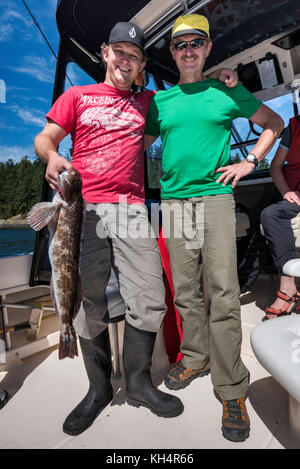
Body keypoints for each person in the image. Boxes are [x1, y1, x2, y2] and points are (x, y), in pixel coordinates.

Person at [34, 21, 236, 436]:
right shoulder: (77, 96)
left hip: (129, 209)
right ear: (105, 53)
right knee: (87, 298)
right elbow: (46, 137)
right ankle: (98, 390)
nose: (125, 60)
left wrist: (218, 76)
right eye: (119, 52)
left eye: (134, 56)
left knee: (149, 296)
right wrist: (52, 157)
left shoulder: (149, 101)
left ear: (141, 65)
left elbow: (187, 93)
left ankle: (140, 383)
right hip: (81, 208)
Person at [145, 14, 284, 443]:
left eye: (196, 44)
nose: (188, 50)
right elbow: (133, 140)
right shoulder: (159, 104)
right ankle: (196, 357)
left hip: (216, 199)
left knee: (222, 292)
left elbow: (274, 126)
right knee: (186, 292)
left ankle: (231, 387)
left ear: (206, 49)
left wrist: (250, 162)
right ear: (172, 53)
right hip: (174, 203)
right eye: (180, 45)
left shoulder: (225, 90)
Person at [260, 115, 300, 320]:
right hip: (296, 196)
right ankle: (288, 288)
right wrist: (286, 192)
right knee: (270, 214)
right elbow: (275, 166)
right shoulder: (293, 126)